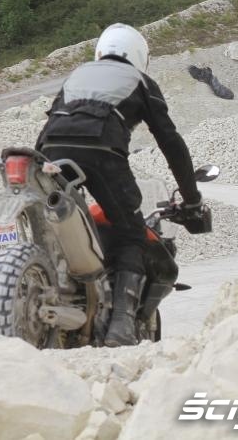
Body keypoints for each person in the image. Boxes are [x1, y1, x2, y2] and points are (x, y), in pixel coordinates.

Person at [35, 23, 208, 347]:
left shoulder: (78, 75)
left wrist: (42, 168)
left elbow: (52, 125)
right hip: (102, 153)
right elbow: (170, 142)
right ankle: (121, 327)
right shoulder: (140, 81)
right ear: (139, 56)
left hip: (51, 153)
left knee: (56, 227)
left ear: (101, 51)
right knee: (130, 233)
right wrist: (192, 198)